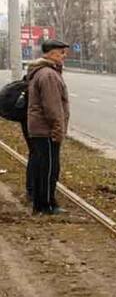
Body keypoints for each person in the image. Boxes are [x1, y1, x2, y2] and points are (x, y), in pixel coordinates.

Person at [26, 39, 70, 214]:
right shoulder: (48, 75)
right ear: (52, 54)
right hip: (46, 130)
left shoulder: (43, 71)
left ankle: (41, 203)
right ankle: (46, 205)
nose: (64, 56)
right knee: (49, 168)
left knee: (42, 166)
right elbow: (52, 107)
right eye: (61, 52)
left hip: (40, 128)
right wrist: (58, 130)